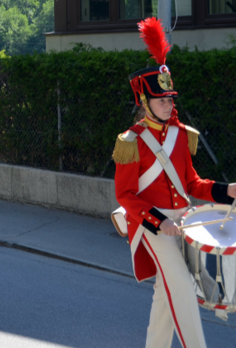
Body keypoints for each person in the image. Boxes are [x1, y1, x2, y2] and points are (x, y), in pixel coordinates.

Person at [113, 18, 236, 348]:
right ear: (145, 102)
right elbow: (124, 195)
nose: (169, 104)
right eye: (162, 100)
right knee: (181, 285)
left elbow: (192, 184)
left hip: (184, 222)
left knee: (165, 297)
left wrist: (227, 191)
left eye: (170, 99)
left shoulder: (181, 136)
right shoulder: (131, 141)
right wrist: (159, 220)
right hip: (152, 225)